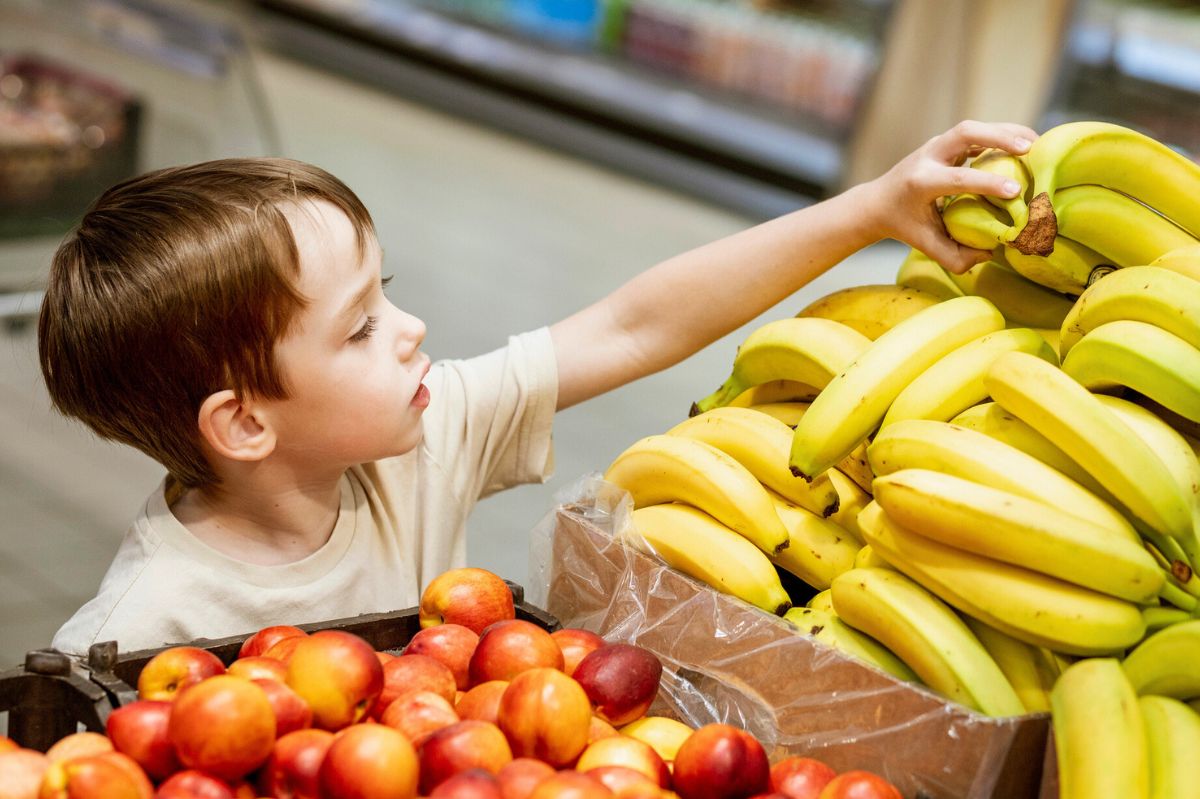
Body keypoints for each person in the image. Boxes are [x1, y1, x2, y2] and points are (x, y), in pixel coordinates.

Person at [40, 120, 1037, 656]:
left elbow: (632, 324)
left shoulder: (417, 445)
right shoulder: (142, 627)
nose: (411, 331)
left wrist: (869, 210)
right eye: (360, 328)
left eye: (386, 296)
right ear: (246, 421)